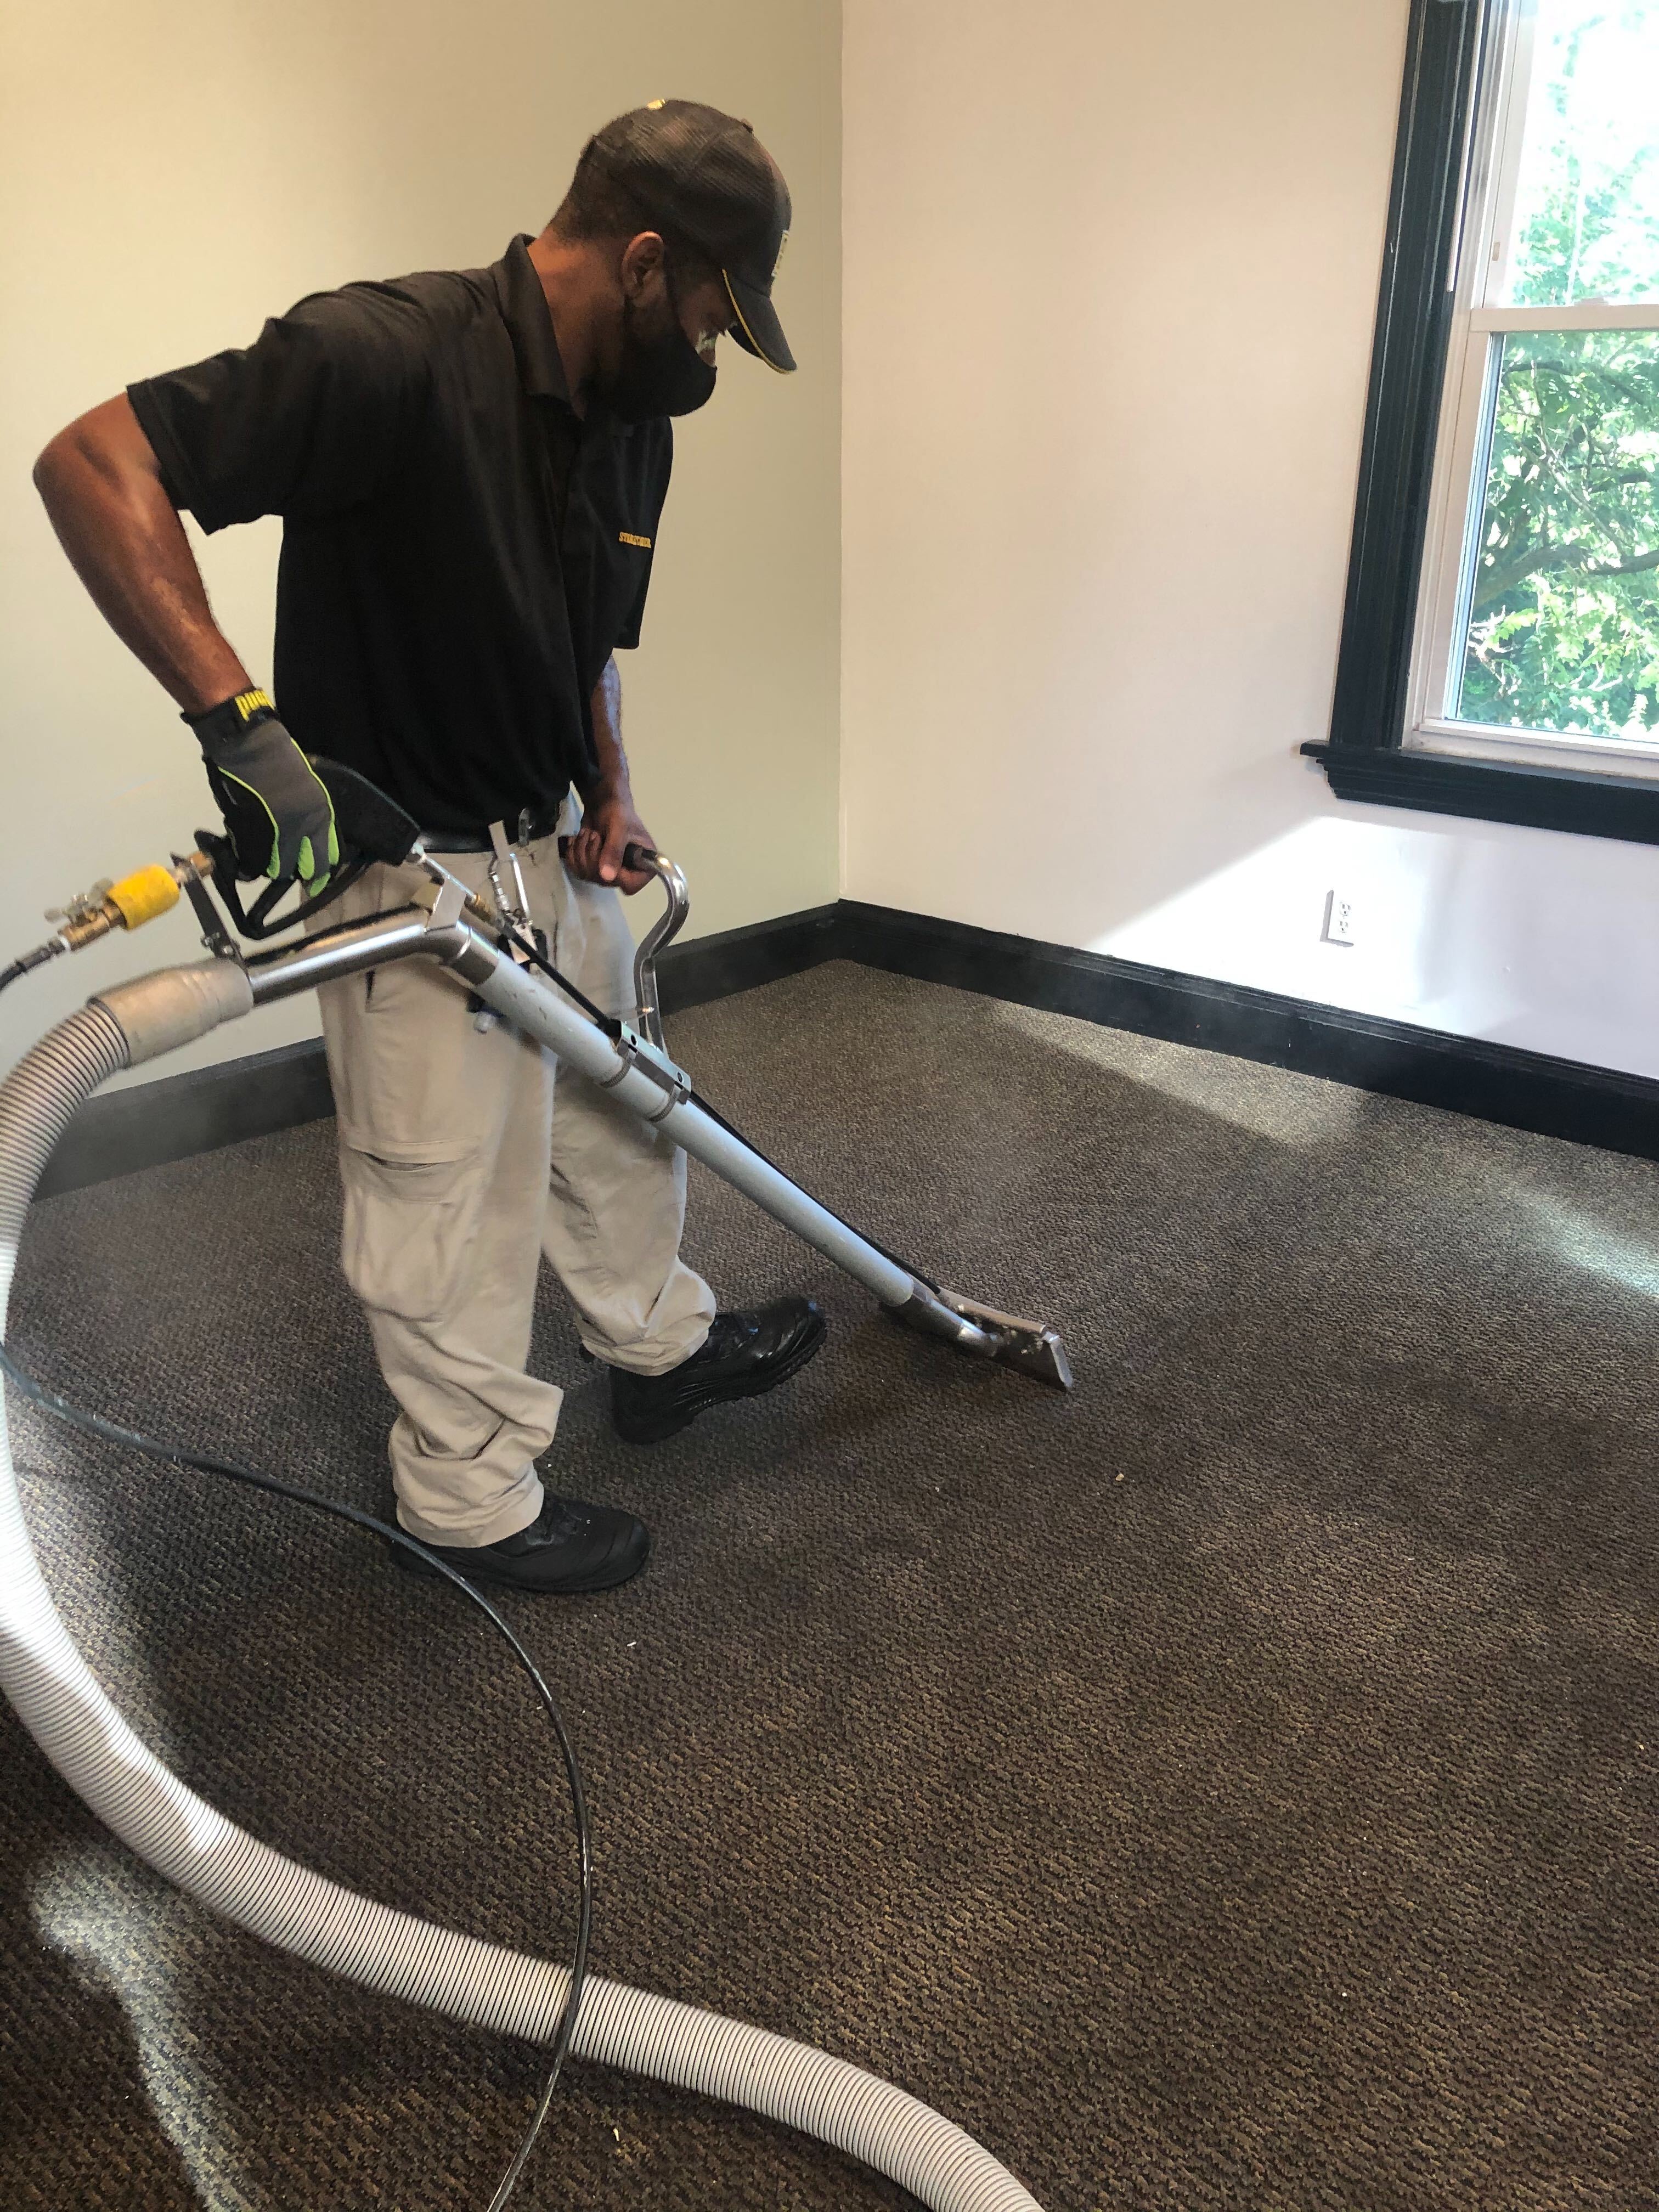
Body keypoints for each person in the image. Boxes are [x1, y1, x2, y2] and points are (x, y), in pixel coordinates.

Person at [32, 100, 825, 1597]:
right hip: (409, 877)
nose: (719, 342)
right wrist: (244, 734)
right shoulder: (386, 352)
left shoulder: (637, 422)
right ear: (648, 260)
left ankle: (654, 1349)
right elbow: (91, 465)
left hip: (554, 845)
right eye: (720, 305)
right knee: (445, 1193)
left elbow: (591, 640)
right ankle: (466, 1499)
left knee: (621, 1114)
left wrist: (614, 786)